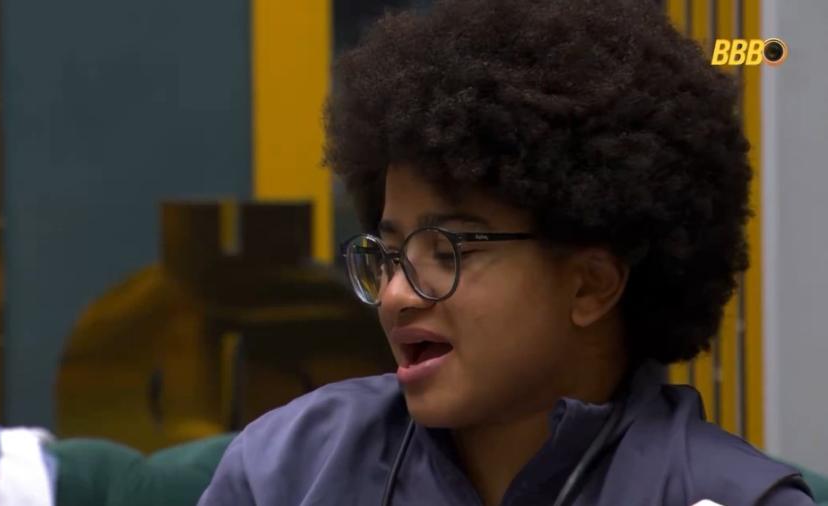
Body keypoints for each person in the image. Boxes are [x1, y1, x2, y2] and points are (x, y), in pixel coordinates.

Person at [198, 0, 815, 504]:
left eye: (448, 251)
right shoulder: (287, 471)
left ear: (590, 285)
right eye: (389, 253)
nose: (396, 295)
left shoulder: (722, 497)